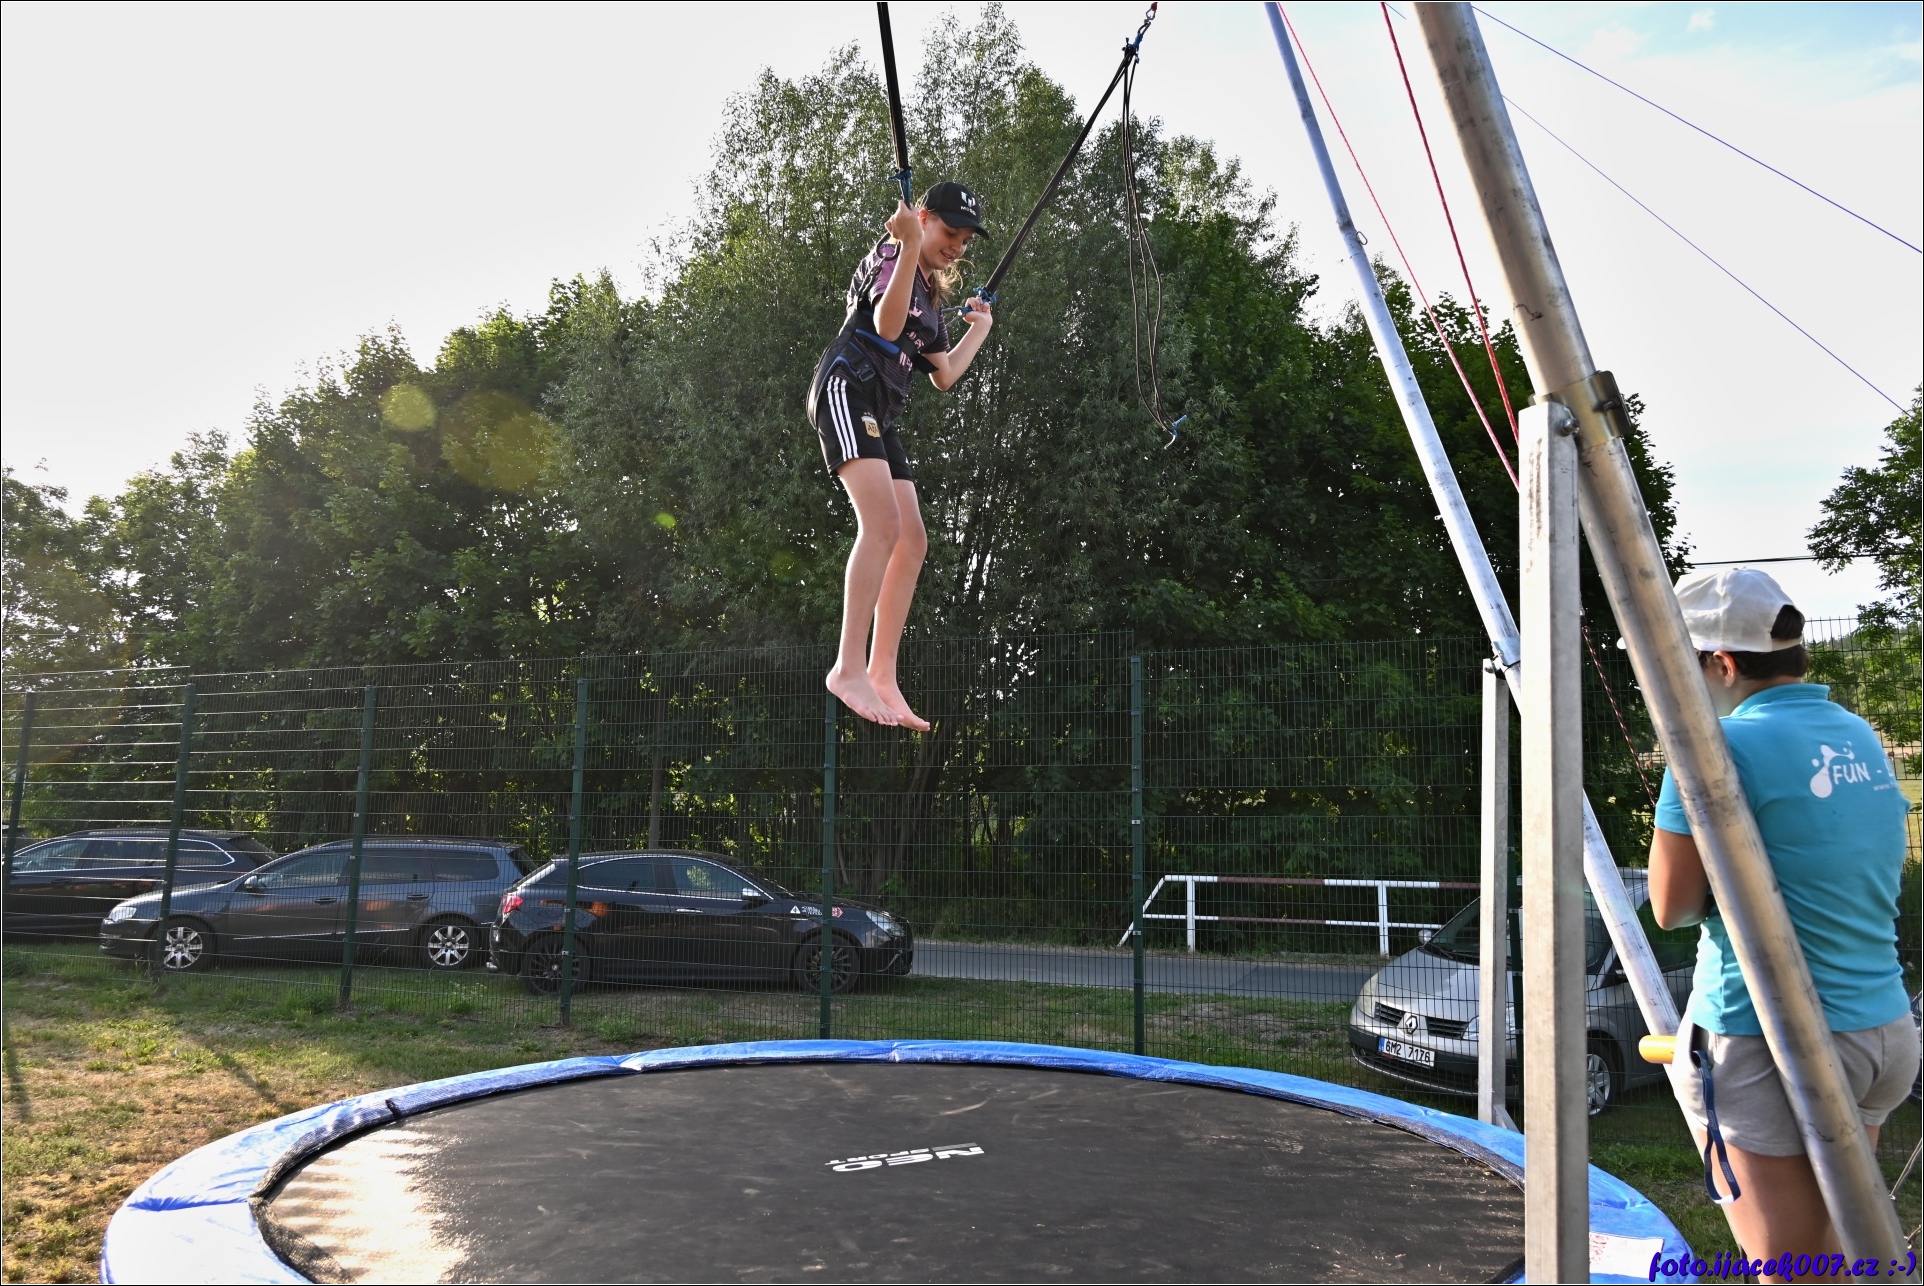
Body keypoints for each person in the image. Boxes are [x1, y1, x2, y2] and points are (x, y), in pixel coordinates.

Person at [1648, 567, 1918, 1281]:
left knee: (1792, 1271)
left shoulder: (1711, 747)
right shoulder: (1858, 734)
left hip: (1766, 1037)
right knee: (1839, 1254)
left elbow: (1671, 907)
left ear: (1721, 663)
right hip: (1881, 1032)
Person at [807, 182, 995, 731]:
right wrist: (910, 242)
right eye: (949, 232)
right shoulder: (893, 254)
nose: (957, 246)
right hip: (847, 386)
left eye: (965, 240)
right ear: (923, 217)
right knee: (883, 526)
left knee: (912, 538)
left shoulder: (930, 297)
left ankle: (882, 672)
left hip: (880, 409)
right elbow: (886, 327)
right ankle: (848, 668)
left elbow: (945, 374)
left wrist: (981, 330)